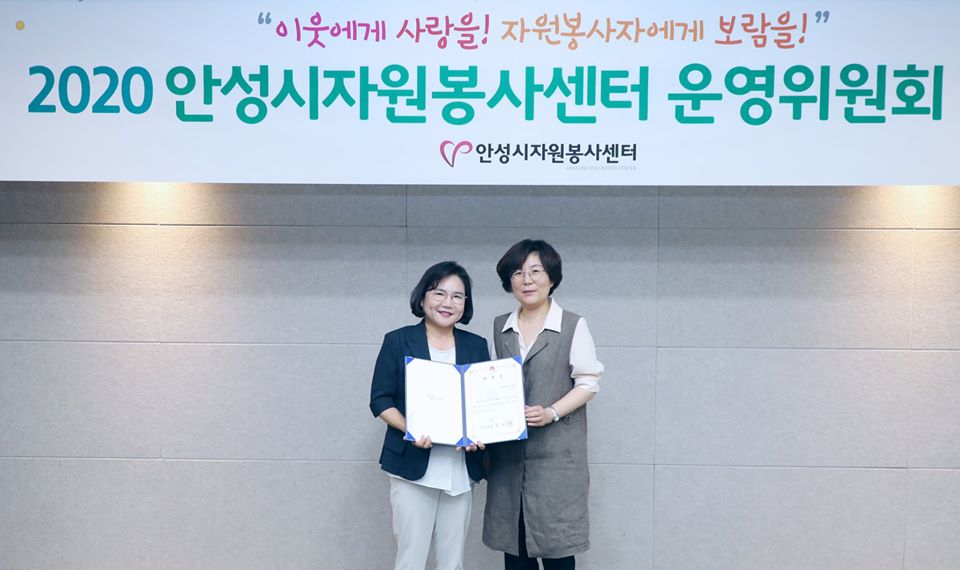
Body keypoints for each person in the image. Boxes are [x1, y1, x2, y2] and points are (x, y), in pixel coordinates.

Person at [482, 239, 604, 570]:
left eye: (536, 271)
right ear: (508, 281)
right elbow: (490, 383)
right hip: (509, 459)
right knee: (515, 550)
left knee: (558, 551)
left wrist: (551, 412)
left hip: (557, 459)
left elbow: (588, 382)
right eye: (517, 273)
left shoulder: (573, 324)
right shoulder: (500, 327)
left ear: (552, 278)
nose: (527, 280)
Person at [369, 261, 490, 570]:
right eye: (439, 293)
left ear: (466, 304)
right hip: (412, 464)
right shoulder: (398, 340)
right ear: (423, 297)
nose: (448, 303)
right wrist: (411, 428)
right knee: (411, 558)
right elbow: (380, 400)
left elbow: (482, 403)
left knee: (453, 561)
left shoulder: (476, 345)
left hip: (459, 468)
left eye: (457, 296)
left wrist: (481, 433)